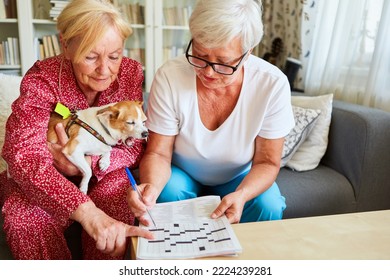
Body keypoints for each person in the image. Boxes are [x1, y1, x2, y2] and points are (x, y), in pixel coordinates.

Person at [0, 0, 152, 260]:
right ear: (65, 45)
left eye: (114, 56)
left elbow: (135, 144)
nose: (104, 70)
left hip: (105, 172)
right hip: (46, 177)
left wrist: (90, 161)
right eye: (90, 56)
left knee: (117, 199)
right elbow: (22, 154)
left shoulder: (130, 72)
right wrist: (86, 211)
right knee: (23, 218)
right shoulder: (43, 78)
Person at [127, 0, 295, 226]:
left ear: (248, 53)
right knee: (166, 193)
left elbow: (267, 162)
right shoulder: (170, 76)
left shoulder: (272, 84)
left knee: (268, 204)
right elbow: (158, 153)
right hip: (181, 173)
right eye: (200, 55)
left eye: (223, 63)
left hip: (238, 177)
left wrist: (242, 195)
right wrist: (151, 188)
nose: (208, 72)